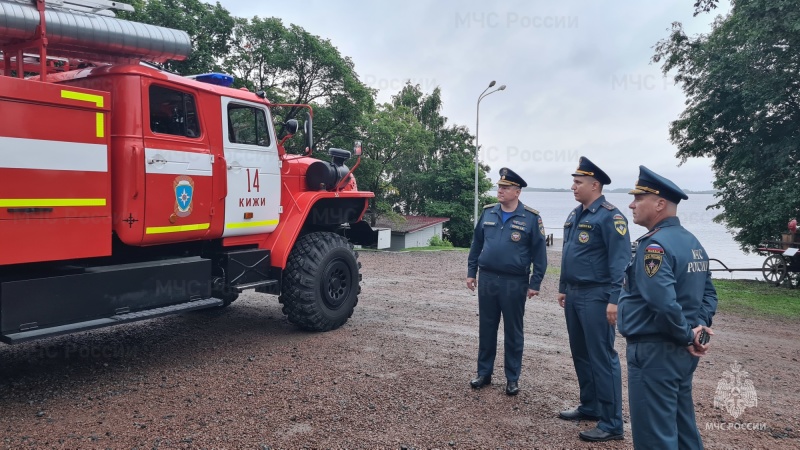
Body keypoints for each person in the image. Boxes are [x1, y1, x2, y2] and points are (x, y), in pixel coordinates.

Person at [617, 166, 718, 450]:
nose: (631, 204)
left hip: (655, 350)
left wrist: (689, 335)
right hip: (680, 351)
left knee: (654, 436)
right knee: (682, 428)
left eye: (639, 198)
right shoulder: (691, 242)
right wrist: (698, 330)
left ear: (660, 204)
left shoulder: (655, 246)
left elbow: (662, 301)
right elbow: (708, 294)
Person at [557, 157, 629, 442]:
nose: (573, 186)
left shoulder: (611, 217)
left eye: (578, 182)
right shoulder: (576, 214)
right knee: (581, 353)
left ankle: (612, 423)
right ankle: (590, 405)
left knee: (602, 357)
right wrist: (563, 286)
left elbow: (620, 261)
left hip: (598, 295)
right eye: (574, 181)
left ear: (595, 185)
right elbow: (568, 253)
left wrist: (614, 298)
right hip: (574, 294)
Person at [466, 167, 547, 396]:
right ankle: (484, 373)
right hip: (488, 278)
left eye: (505, 187)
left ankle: (512, 378)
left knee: (513, 330)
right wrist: (471, 272)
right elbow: (476, 244)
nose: (500, 190)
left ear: (517, 192)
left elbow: (540, 253)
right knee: (487, 327)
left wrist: (535, 282)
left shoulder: (531, 218)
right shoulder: (488, 212)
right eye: (499, 186)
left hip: (515, 281)